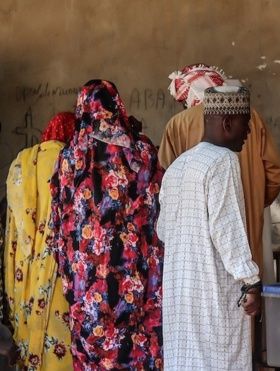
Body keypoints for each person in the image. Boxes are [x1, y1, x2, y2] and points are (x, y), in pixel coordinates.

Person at [49, 80, 163, 370]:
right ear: (117, 106)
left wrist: (68, 271)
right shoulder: (142, 153)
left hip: (86, 282)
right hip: (135, 279)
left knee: (93, 356)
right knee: (135, 353)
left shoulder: (69, 159)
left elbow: (59, 223)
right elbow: (158, 214)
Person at [158, 86, 262, 371]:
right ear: (228, 123)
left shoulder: (177, 167)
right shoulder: (223, 161)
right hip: (212, 296)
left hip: (181, 297)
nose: (249, 131)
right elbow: (227, 230)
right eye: (246, 123)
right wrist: (250, 281)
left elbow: (163, 231)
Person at [160, 63, 280, 280]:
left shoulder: (177, 124)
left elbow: (168, 180)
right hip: (246, 226)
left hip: (195, 239)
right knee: (246, 290)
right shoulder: (249, 116)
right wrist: (252, 202)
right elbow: (274, 172)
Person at [4, 112, 76, 370]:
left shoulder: (19, 164)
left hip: (24, 265)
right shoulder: (70, 161)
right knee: (57, 336)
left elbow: (12, 224)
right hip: (55, 267)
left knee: (26, 325)